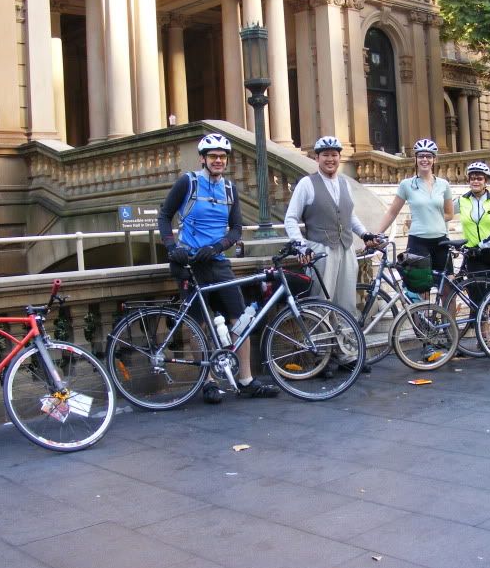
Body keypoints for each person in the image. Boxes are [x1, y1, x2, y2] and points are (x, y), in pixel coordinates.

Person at [158, 133, 279, 403]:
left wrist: (218, 247)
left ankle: (246, 379)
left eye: (222, 157)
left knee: (241, 320)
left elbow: (236, 229)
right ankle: (208, 382)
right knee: (197, 325)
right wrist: (171, 247)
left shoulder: (229, 189)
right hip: (190, 263)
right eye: (213, 156)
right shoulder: (188, 182)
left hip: (217, 262)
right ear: (203, 158)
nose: (218, 160)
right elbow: (165, 216)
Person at [284, 135, 377, 314]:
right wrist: (301, 246)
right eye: (325, 155)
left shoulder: (344, 183)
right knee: (322, 300)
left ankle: (346, 339)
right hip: (321, 249)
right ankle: (320, 339)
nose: (330, 159)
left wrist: (364, 234)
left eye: (334, 154)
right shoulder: (307, 184)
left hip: (346, 248)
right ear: (317, 158)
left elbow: (350, 215)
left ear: (339, 158)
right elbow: (291, 218)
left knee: (346, 302)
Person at [375, 138, 453, 292]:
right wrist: (378, 233)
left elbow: (449, 214)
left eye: (428, 156)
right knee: (419, 289)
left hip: (441, 241)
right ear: (415, 159)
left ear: (434, 159)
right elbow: (392, 212)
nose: (425, 159)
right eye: (421, 156)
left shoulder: (444, 184)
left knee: (447, 288)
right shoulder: (407, 185)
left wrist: (431, 218)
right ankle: (421, 317)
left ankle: (448, 317)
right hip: (418, 241)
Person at [454, 161, 490, 284]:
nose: (475, 181)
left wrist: (482, 245)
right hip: (474, 255)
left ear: (486, 181)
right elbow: (443, 212)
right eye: (472, 178)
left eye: (479, 178)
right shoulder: (461, 200)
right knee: (479, 299)